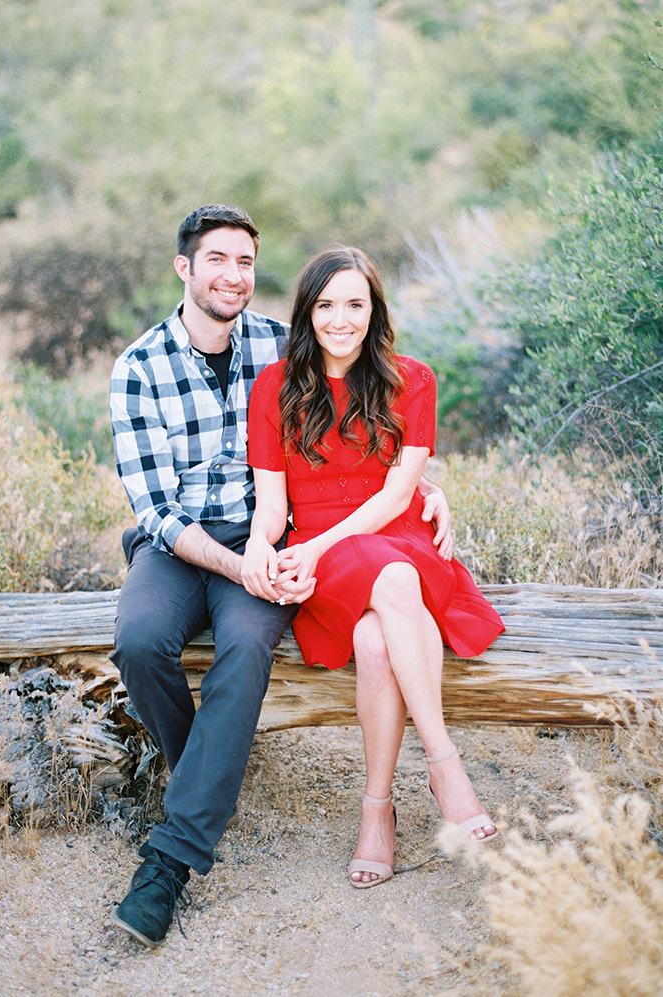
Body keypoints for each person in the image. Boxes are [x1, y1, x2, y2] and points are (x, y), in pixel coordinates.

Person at [108, 206, 455, 945]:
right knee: (138, 642)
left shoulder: (278, 342)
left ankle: (169, 861)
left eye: (245, 262)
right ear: (185, 269)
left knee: (244, 647)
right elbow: (156, 509)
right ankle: (203, 773)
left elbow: (364, 417)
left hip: (276, 537)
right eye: (217, 260)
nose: (234, 276)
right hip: (182, 546)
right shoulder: (138, 367)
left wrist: (423, 488)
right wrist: (242, 564)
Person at [244, 246, 505, 889]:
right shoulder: (274, 386)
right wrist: (260, 548)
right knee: (387, 588)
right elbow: (272, 505)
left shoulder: (412, 379)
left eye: (355, 304)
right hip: (327, 555)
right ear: (307, 313)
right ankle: (445, 765)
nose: (341, 319)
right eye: (326, 305)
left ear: (374, 310)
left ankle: (378, 810)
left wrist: (318, 543)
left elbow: (394, 496)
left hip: (399, 538)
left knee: (375, 635)